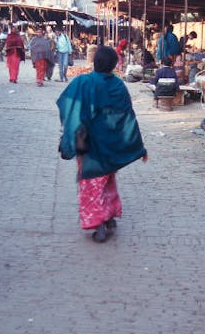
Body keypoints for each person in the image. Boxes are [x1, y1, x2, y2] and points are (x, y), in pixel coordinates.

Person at [56, 46, 148, 243]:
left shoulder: (83, 82)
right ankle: (109, 218)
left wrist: (68, 138)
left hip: (90, 148)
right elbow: (127, 118)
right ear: (114, 66)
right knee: (107, 181)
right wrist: (139, 147)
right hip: (111, 147)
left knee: (91, 185)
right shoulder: (118, 85)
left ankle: (98, 225)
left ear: (94, 62)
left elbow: (68, 106)